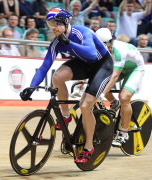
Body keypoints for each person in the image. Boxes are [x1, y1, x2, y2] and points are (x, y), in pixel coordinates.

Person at [19, 8, 113, 163]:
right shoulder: (56, 42)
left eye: (55, 24)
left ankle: (89, 147)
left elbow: (90, 53)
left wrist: (69, 43)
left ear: (64, 21)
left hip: (102, 65)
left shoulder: (82, 32)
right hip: (85, 64)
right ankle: (65, 115)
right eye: (50, 25)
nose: (53, 28)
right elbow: (44, 67)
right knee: (57, 77)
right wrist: (31, 88)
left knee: (85, 105)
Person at [95, 28, 144, 147]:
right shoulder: (97, 48)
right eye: (105, 44)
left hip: (135, 68)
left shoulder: (118, 50)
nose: (109, 46)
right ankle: (113, 103)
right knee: (99, 83)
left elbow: (115, 76)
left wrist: (101, 95)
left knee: (124, 97)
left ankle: (124, 132)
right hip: (120, 67)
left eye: (109, 43)